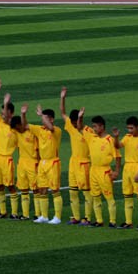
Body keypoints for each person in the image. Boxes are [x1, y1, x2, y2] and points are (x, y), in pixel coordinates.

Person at [60, 87, 92, 225]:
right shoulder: (72, 127)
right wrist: (62, 97)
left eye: (78, 121)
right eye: (74, 122)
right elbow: (62, 113)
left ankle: (88, 218)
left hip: (84, 164)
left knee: (86, 192)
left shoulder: (88, 131)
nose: (75, 124)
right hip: (73, 162)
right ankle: (76, 217)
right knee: (73, 192)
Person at [84, 114, 121, 227]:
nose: (93, 129)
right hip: (93, 170)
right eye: (93, 126)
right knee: (95, 196)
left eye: (95, 126)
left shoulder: (110, 140)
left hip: (105, 171)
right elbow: (79, 126)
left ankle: (112, 221)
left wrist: (116, 171)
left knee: (109, 197)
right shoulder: (92, 138)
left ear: (101, 126)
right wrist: (80, 117)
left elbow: (118, 156)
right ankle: (99, 221)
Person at [30, 104, 63, 224]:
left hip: (53, 162)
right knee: (42, 189)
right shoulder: (40, 130)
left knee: (55, 189)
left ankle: (57, 217)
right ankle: (44, 216)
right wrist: (23, 114)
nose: (42, 120)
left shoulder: (57, 130)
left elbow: (50, 127)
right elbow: (25, 126)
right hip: (42, 163)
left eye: (45, 118)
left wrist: (41, 115)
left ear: (52, 119)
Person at [0, 80, 18, 218]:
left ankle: (14, 212)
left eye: (5, 111)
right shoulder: (0, 123)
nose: (2, 114)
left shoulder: (15, 129)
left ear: (11, 113)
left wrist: (6, 102)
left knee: (10, 186)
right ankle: (3, 212)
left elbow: (7, 117)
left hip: (7, 160)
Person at [116, 116, 138, 229]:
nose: (130, 131)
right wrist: (116, 137)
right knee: (127, 196)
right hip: (127, 169)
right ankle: (128, 222)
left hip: (137, 167)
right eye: (128, 128)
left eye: (132, 128)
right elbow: (117, 146)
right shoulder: (127, 137)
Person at [12, 106, 37, 221]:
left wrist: (23, 114)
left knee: (35, 189)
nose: (16, 130)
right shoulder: (17, 133)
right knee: (23, 189)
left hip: (33, 163)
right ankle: (25, 214)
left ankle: (38, 214)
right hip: (22, 163)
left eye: (17, 127)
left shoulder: (31, 133)